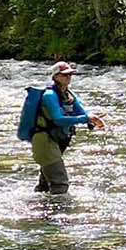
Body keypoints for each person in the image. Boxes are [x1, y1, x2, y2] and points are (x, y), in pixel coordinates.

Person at [31, 61, 105, 193]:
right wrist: (85, 119)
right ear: (56, 77)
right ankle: (59, 211)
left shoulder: (68, 95)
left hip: (57, 141)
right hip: (44, 141)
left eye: (70, 74)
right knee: (60, 184)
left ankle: (39, 210)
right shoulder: (50, 96)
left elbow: (81, 112)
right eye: (65, 75)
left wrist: (92, 118)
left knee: (45, 185)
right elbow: (58, 120)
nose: (68, 77)